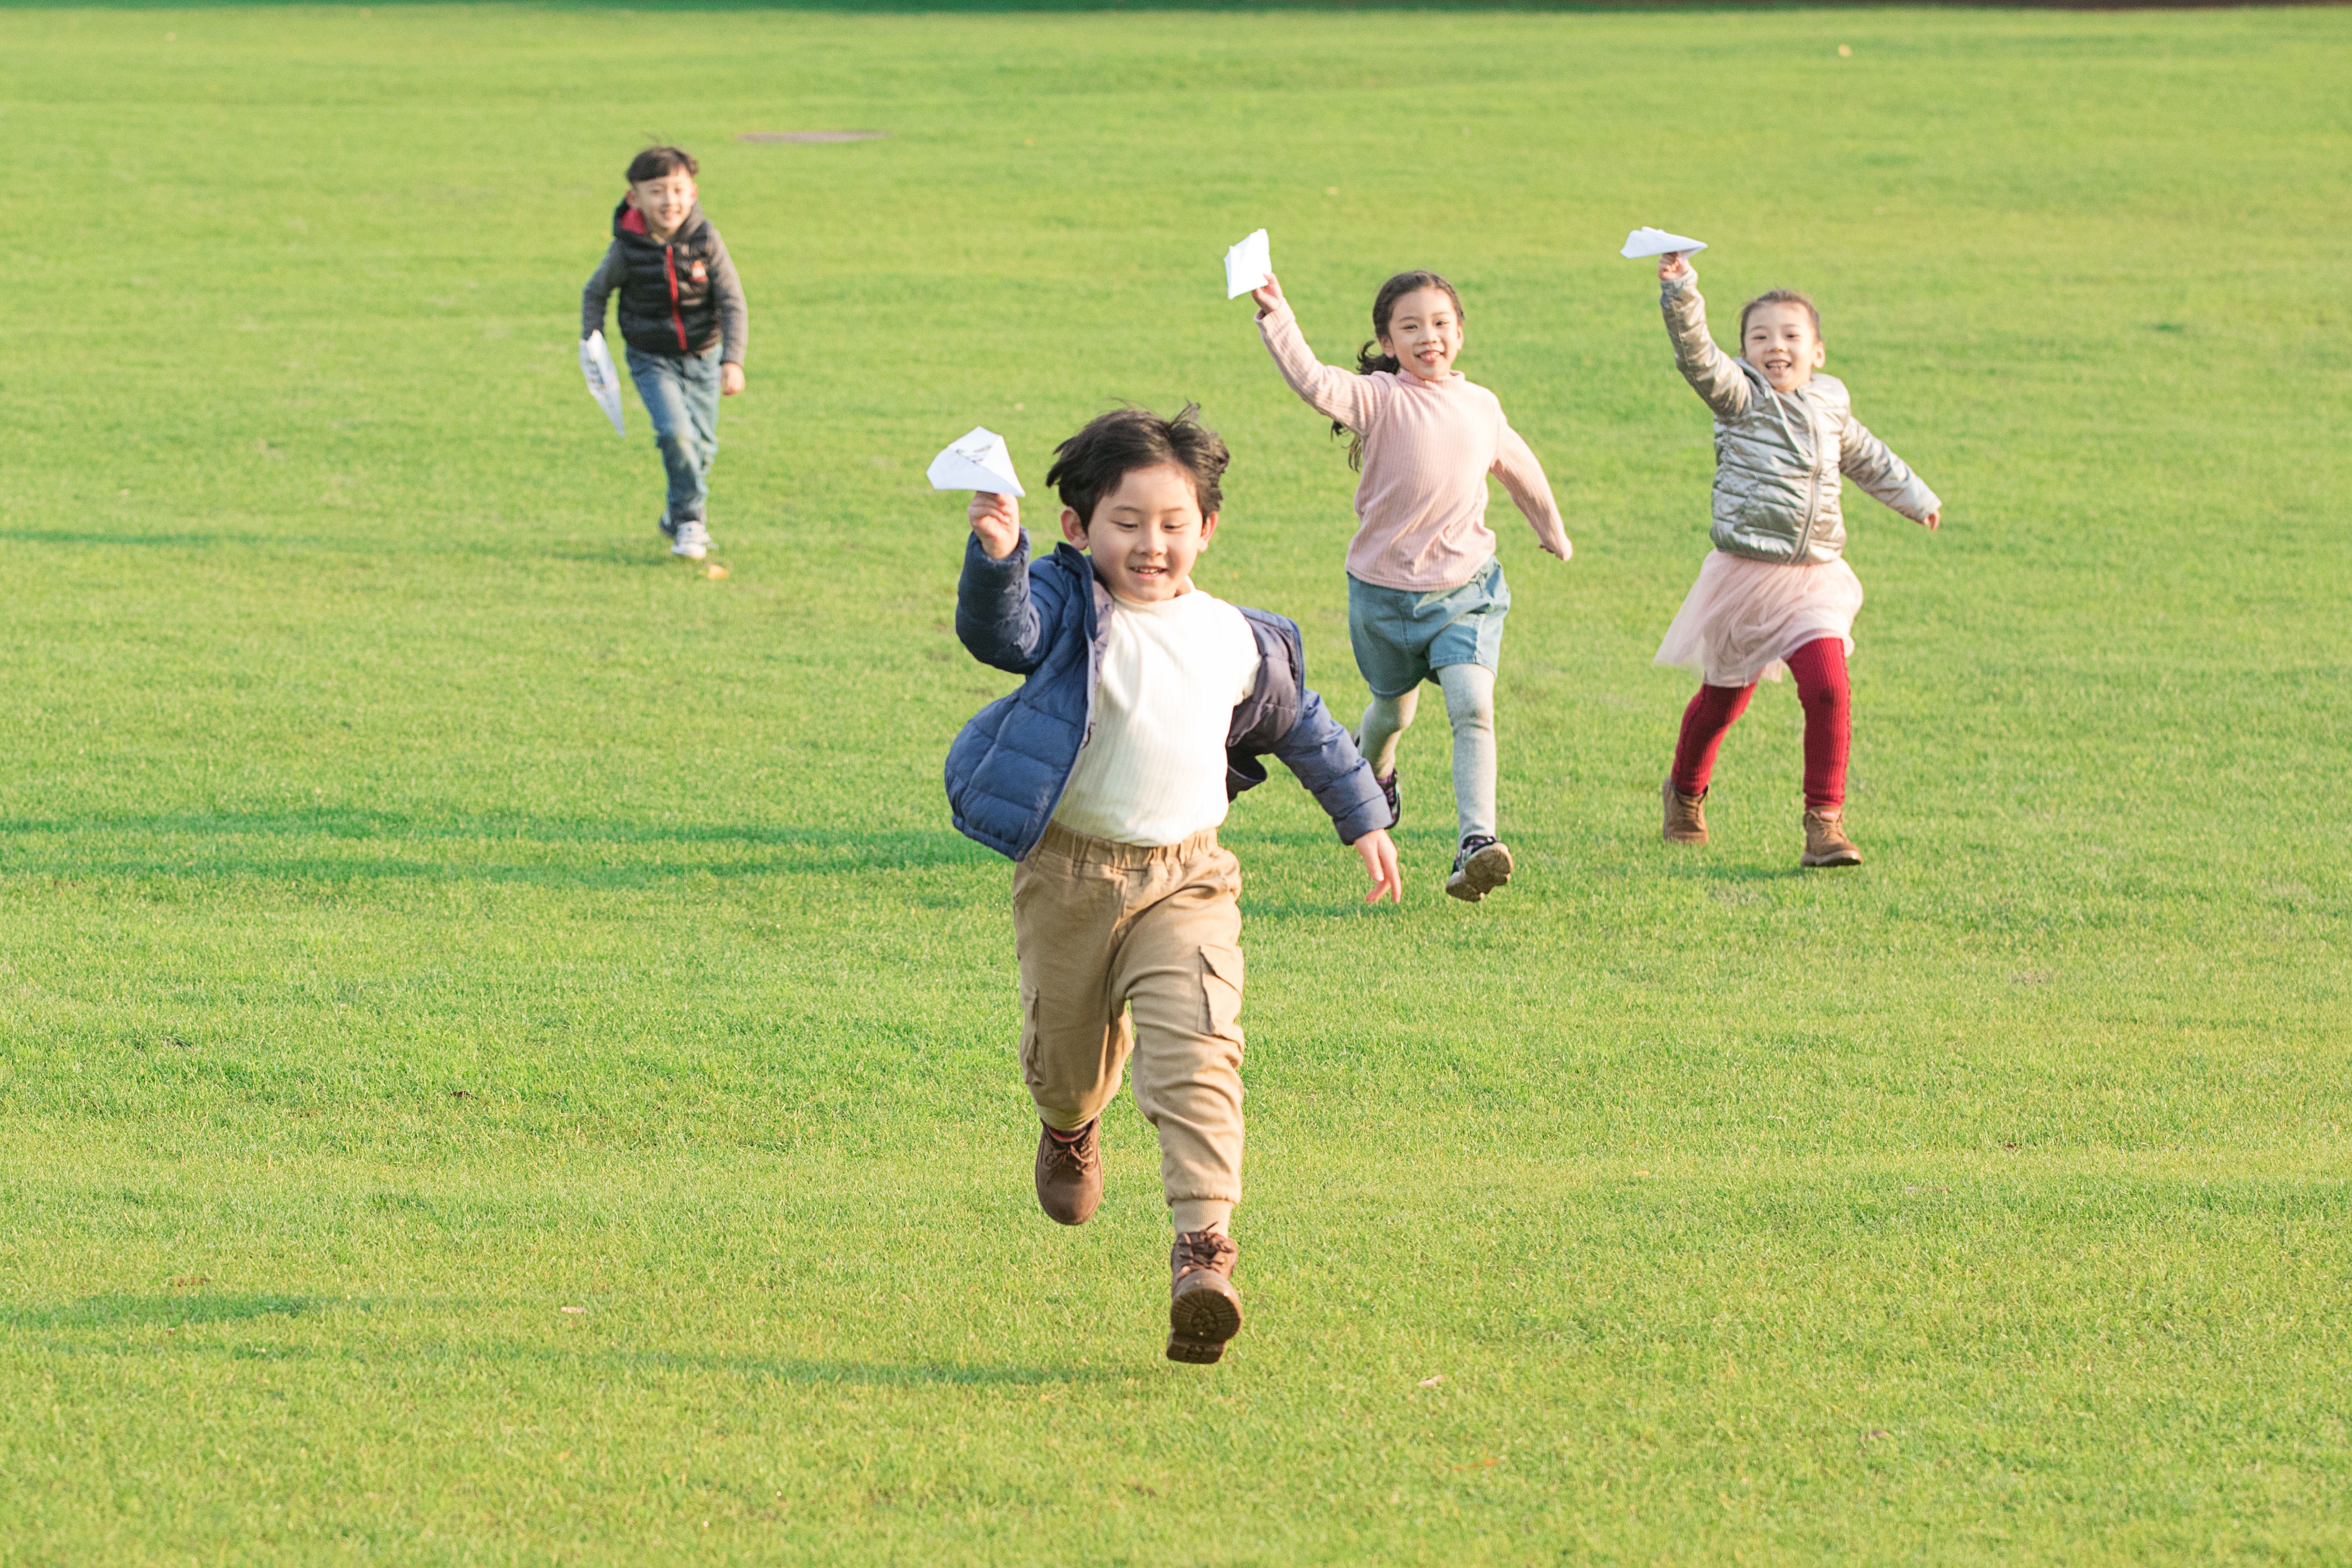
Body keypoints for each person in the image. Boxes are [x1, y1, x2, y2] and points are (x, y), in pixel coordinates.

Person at [946, 406, 1400, 1365]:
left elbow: (1305, 726)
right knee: (1066, 1058)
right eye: (1126, 522)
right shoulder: (1067, 608)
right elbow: (1005, 633)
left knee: (1199, 1051)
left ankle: (1203, 1251)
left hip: (1187, 879)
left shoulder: (1236, 637)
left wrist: (1363, 814)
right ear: (1078, 527)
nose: (1150, 544)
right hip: (1068, 874)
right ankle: (1069, 1126)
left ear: (1207, 527)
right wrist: (997, 556)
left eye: (1172, 522)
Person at [1247, 270, 1571, 902]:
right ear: (1388, 342)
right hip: (1383, 596)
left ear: (1461, 332)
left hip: (1466, 590)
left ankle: (1476, 841)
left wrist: (1551, 529)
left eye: (1442, 323)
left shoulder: (1481, 406)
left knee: (1473, 706)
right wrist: (1277, 314)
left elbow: (1518, 464)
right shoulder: (1379, 398)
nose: (1430, 337)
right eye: (1411, 326)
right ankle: (1374, 776)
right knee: (1392, 710)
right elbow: (1313, 380)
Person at [1650, 249, 1942, 866]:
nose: (1775, 346)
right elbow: (1697, 356)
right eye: (1760, 337)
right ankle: (1685, 792)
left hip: (1816, 577)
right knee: (1723, 701)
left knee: (1829, 687)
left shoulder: (1831, 404)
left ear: (1818, 352)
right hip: (1744, 577)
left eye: (1790, 336)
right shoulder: (1739, 397)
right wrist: (1681, 291)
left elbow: (1867, 456)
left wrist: (1916, 498)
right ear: (1744, 353)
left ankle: (1824, 824)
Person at [581, 145, 748, 562]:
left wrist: (732, 360)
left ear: (693, 194)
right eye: (656, 191)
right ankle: (691, 521)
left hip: (705, 357)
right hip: (651, 359)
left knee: (703, 447)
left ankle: (675, 514)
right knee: (676, 434)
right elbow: (595, 292)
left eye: (677, 190)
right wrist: (592, 344)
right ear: (634, 198)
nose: (669, 200)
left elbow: (732, 301)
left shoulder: (707, 241)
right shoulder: (627, 250)